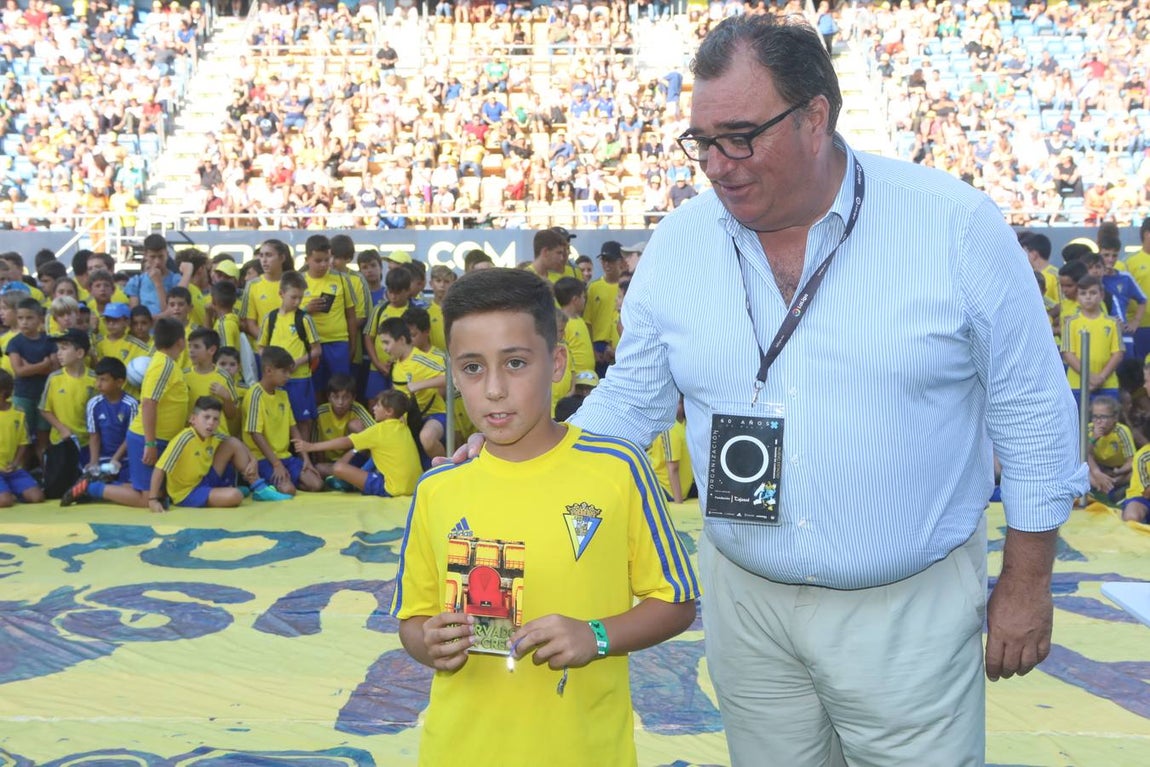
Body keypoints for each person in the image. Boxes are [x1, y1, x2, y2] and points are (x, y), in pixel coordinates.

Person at [547, 15, 1084, 766]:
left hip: (907, 612)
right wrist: (526, 459)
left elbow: (1032, 412)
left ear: (815, 118)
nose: (718, 164)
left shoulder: (952, 226)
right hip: (745, 605)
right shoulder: (679, 244)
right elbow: (628, 405)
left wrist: (1027, 585)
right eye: (702, 140)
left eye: (740, 135)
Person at [391, 268, 699, 767]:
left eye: (514, 363)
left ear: (556, 363)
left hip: (584, 751)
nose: (493, 389)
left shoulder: (618, 470)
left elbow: (676, 601)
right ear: (452, 373)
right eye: (472, 368)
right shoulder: (437, 490)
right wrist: (429, 644)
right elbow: (413, 618)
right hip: (457, 750)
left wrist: (595, 635)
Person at [148, 396, 286, 510]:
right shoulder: (184, 439)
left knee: (232, 443)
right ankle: (227, 491)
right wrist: (153, 499)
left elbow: (237, 443)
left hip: (205, 480)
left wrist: (253, 459)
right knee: (235, 496)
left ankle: (259, 488)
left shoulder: (213, 435)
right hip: (188, 492)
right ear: (193, 419)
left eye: (215, 419)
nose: (211, 423)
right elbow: (160, 468)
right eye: (206, 417)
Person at [293, 389, 422, 497]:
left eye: (378, 405)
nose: (373, 408)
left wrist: (311, 446)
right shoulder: (403, 426)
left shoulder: (378, 430)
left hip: (393, 489)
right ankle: (353, 479)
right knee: (372, 454)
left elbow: (345, 441)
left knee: (338, 468)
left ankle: (350, 484)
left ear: (389, 412)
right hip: (414, 486)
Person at [242, 345, 323, 496]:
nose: (288, 376)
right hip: (264, 459)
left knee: (316, 484)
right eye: (284, 372)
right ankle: (261, 484)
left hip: (286, 457)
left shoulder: (282, 394)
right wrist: (276, 464)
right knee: (288, 490)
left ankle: (286, 479)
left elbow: (294, 429)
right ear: (268, 370)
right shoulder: (255, 394)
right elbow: (255, 434)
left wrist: (305, 459)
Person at [257, 271, 320, 432]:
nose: (297, 301)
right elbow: (261, 347)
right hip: (275, 380)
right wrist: (272, 367)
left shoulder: (304, 319)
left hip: (299, 379)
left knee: (303, 420)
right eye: (293, 297)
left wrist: (295, 363)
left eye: (301, 297)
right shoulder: (269, 318)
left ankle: (304, 456)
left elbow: (317, 350)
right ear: (281, 293)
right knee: (276, 420)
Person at [378, 316, 448, 461]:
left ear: (402, 340)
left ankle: (447, 471)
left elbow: (452, 377)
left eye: (386, 342)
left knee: (427, 437)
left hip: (434, 416)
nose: (384, 348)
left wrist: (420, 385)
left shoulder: (419, 359)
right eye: (382, 343)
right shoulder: (396, 364)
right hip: (410, 421)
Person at [6, 297, 57, 464]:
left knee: (43, 441)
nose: (24, 322)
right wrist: (43, 364)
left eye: (29, 318)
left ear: (40, 320)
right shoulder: (15, 343)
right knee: (23, 441)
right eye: (20, 318)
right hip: (22, 396)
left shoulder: (48, 341)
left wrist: (31, 367)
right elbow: (19, 371)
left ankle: (45, 477)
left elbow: (54, 368)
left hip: (44, 397)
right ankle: (19, 474)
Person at [1063, 276, 1123, 406]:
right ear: (1077, 297)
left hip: (1107, 384)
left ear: (1101, 295)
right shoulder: (1071, 323)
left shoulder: (1112, 323)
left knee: (1106, 422)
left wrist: (1101, 377)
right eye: (1083, 293)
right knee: (1079, 424)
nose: (1088, 297)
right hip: (1077, 384)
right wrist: (1089, 377)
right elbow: (1068, 353)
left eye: (1093, 293)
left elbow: (1118, 353)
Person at [85, 357, 138, 485]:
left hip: (126, 458)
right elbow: (94, 435)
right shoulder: (93, 404)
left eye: (103, 380)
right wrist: (94, 463)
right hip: (103, 458)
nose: (98, 384)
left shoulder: (131, 404)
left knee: (132, 483)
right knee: (88, 478)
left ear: (119, 382)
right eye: (97, 379)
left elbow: (130, 437)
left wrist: (115, 459)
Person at [0, 369, 45, 507]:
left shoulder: (18, 413)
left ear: (3, 392)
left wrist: (15, 463)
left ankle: (8, 489)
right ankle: (5, 493)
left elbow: (23, 443)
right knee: (5, 501)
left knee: (37, 497)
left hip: (12, 469)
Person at [1085, 395, 1134, 503]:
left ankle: (1107, 486)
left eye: (1103, 417)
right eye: (1095, 417)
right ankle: (1102, 486)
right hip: (1098, 467)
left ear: (1114, 418)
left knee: (1135, 472)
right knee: (1083, 469)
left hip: (1119, 470)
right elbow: (1083, 455)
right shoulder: (1089, 429)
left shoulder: (1121, 431)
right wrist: (1093, 439)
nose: (1098, 421)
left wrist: (1118, 471)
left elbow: (1131, 461)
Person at [124, 234, 180, 315]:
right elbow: (135, 315)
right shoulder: (136, 281)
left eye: (161, 257)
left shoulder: (176, 280)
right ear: (146, 255)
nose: (157, 262)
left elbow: (172, 312)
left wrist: (158, 283)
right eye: (153, 257)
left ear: (167, 255)